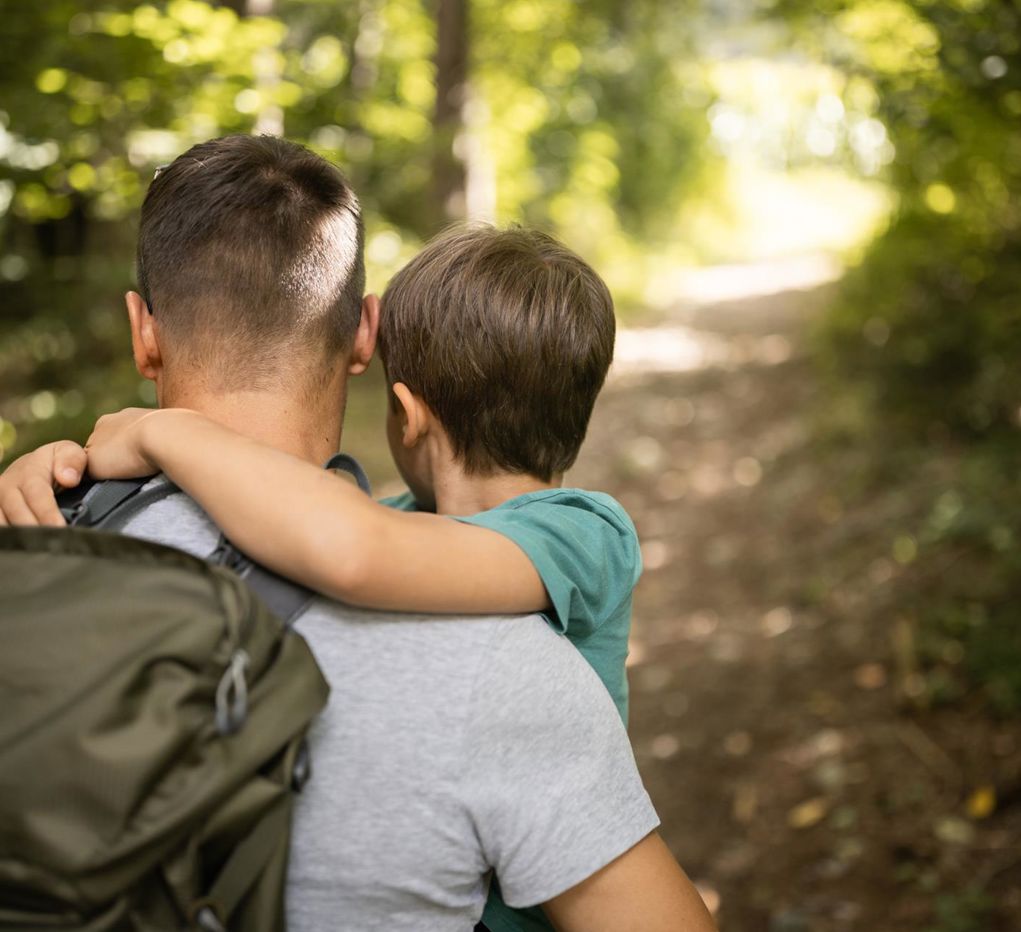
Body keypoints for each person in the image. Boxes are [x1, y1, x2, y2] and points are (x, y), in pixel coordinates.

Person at [0, 134, 716, 932]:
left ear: (144, 331)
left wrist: (144, 442)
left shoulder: (28, 555)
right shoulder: (495, 652)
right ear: (365, 334)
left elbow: (353, 544)